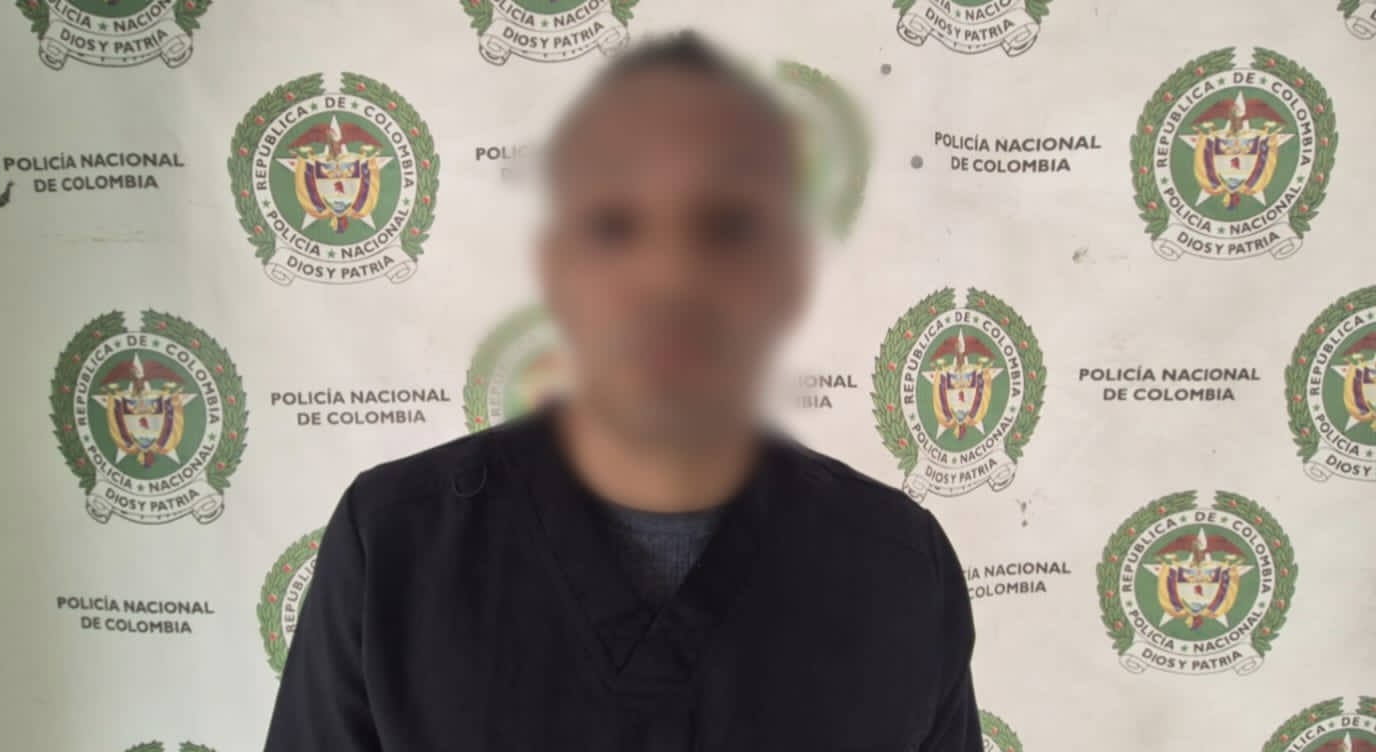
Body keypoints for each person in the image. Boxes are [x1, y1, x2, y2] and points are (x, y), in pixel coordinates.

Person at [264, 30, 981, 752]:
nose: (669, 279)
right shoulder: (393, 547)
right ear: (558, 268)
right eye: (615, 226)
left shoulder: (900, 571)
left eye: (726, 229)